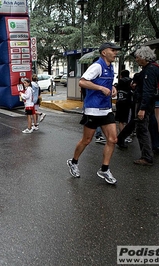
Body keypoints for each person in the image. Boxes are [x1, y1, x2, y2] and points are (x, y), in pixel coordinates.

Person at [66, 42, 120, 185]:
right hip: (93, 109)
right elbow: (82, 82)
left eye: (116, 51)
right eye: (113, 50)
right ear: (104, 52)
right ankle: (73, 162)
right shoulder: (97, 66)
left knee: (113, 139)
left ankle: (104, 169)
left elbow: (108, 82)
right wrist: (100, 88)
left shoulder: (111, 66)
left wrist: (113, 87)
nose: (115, 53)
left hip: (106, 109)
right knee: (87, 140)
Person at [133, 46, 159, 166]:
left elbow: (148, 90)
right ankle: (150, 151)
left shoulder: (149, 70)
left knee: (142, 130)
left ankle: (147, 157)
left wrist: (142, 108)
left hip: (145, 104)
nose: (136, 59)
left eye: (138, 57)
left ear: (144, 57)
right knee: (146, 127)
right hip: (149, 103)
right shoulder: (154, 68)